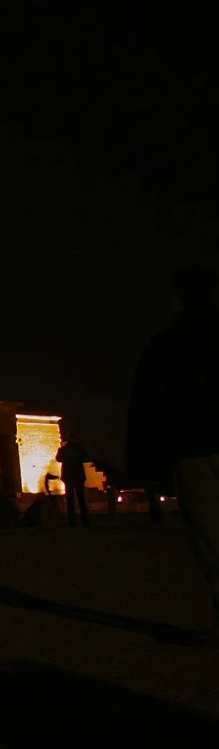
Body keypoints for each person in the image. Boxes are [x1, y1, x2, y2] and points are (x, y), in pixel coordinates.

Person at [125, 264, 219, 640]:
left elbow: (148, 409)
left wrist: (146, 471)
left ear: (177, 299)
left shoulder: (166, 345)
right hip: (194, 450)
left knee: (210, 538)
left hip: (194, 451)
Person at [55, 435, 91, 527]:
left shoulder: (63, 449)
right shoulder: (79, 448)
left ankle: (71, 521)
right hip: (78, 476)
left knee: (70, 500)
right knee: (81, 499)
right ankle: (85, 520)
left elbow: (58, 459)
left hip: (68, 476)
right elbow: (86, 458)